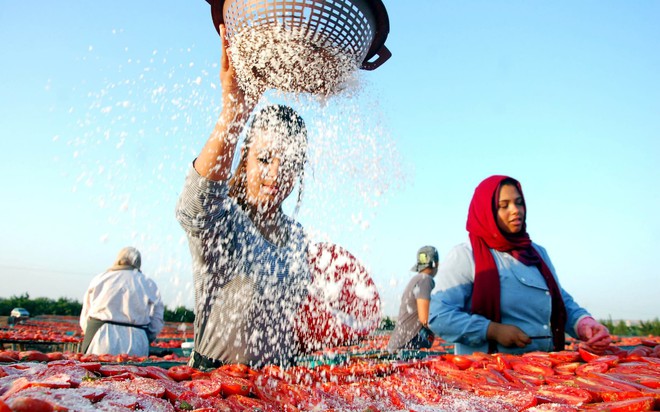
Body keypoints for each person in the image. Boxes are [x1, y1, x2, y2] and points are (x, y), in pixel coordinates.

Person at [175, 24, 311, 369]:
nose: (276, 173)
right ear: (244, 159)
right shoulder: (227, 220)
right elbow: (195, 207)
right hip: (216, 388)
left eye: (290, 163)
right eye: (264, 159)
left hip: (279, 387)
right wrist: (233, 116)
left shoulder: (297, 238)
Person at [429, 175, 611, 355]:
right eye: (504, 205)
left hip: (541, 372)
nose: (516, 210)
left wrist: (584, 325)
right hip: (489, 376)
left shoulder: (537, 254)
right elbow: (439, 316)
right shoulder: (467, 255)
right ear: (486, 211)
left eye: (519, 202)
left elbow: (560, 302)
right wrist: (492, 330)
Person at [80, 247, 164, 356]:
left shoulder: (101, 278)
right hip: (136, 339)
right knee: (135, 371)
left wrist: (90, 332)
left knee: (96, 371)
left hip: (101, 336)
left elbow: (86, 314)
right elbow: (157, 317)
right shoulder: (148, 283)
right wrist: (148, 336)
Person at [387, 246, 439, 352]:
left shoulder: (417, 279)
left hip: (400, 342)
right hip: (407, 343)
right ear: (436, 263)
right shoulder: (426, 280)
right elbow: (425, 319)